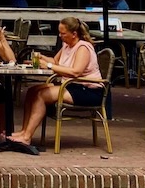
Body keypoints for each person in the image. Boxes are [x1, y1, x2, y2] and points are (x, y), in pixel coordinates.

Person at [8, 16, 102, 145]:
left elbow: (76, 72)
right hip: (71, 85)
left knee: (41, 95)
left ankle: (27, 137)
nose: (60, 36)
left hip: (88, 90)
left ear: (74, 34)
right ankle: (24, 131)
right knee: (32, 91)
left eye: (63, 33)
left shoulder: (83, 47)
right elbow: (56, 62)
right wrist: (42, 58)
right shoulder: (67, 45)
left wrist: (48, 66)